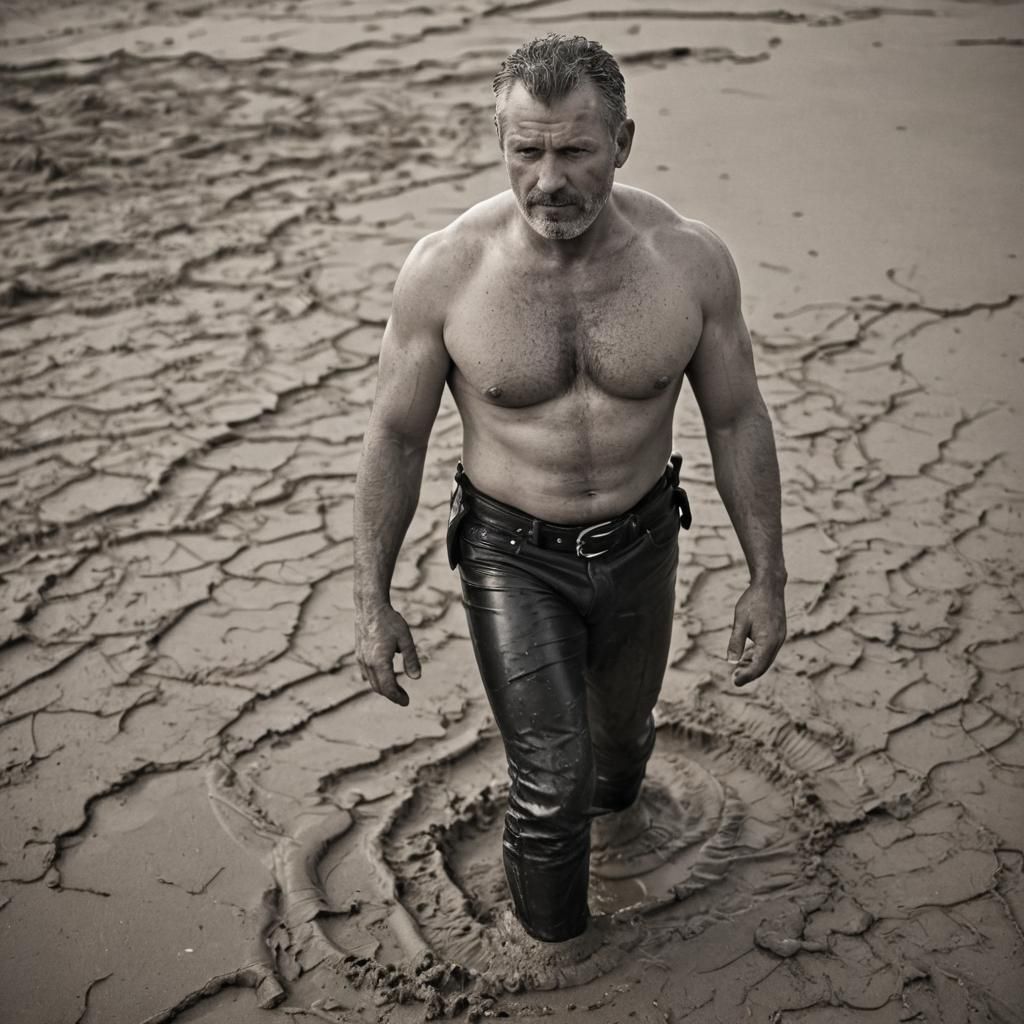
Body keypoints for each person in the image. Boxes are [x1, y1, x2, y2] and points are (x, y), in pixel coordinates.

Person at [353, 34, 786, 949]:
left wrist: (766, 578)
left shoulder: (689, 263)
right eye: (526, 151)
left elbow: (738, 417)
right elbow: (396, 433)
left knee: (619, 758)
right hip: (512, 557)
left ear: (622, 142)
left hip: (642, 545)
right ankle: (561, 965)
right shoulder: (448, 269)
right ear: (500, 140)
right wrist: (373, 600)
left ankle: (621, 824)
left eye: (575, 150)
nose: (548, 178)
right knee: (550, 787)